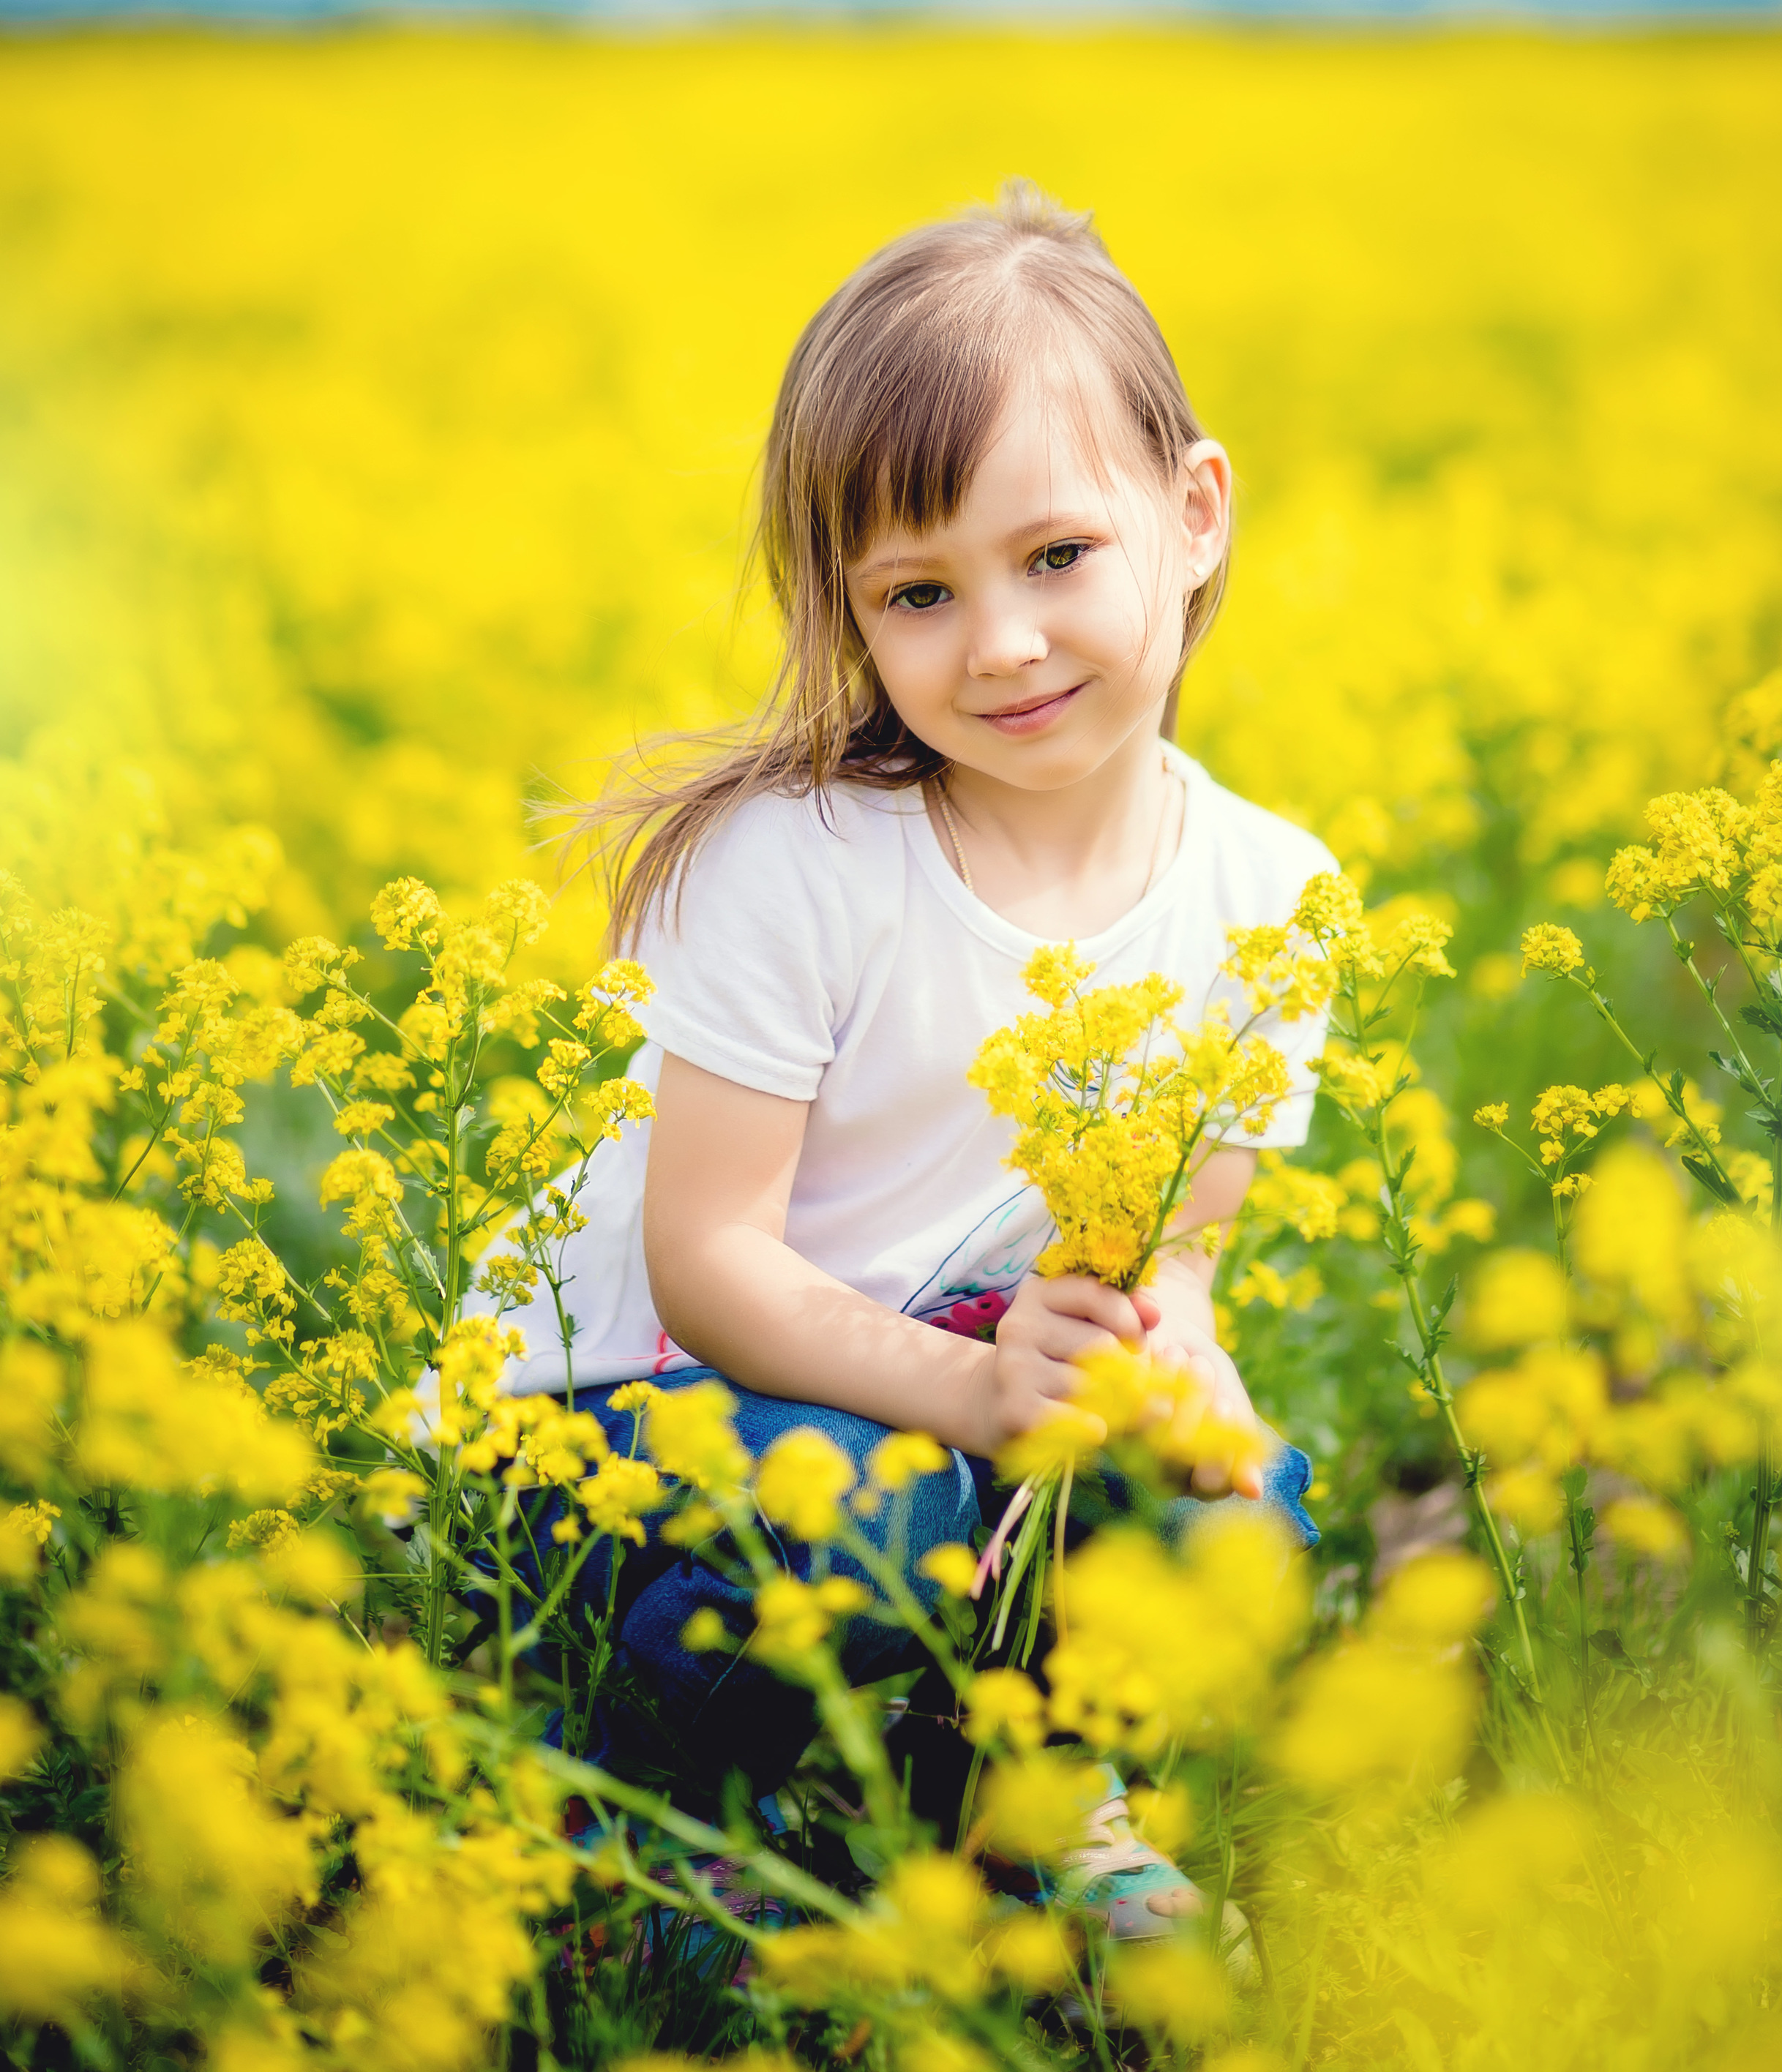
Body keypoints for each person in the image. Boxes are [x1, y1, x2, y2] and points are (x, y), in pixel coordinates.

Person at [489, 185, 1333, 1936]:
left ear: (1191, 516)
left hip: (944, 1384)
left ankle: (1023, 1806)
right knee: (882, 1510)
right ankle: (645, 1819)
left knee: (1237, 1529)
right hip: (629, 1414)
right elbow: (708, 1265)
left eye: (1056, 558)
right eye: (920, 592)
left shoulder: (1274, 900)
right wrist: (970, 1400)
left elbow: (1168, 1255)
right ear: (851, 613)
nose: (1001, 642)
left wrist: (1177, 1371)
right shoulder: (796, 864)